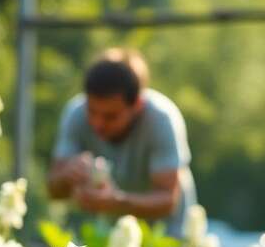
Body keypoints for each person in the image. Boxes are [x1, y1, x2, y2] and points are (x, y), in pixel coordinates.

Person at [47, 48, 197, 236]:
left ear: (137, 105)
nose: (97, 123)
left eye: (111, 116)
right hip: (110, 235)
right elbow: (54, 190)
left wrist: (115, 202)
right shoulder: (76, 113)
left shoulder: (161, 118)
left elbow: (168, 200)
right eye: (92, 111)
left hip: (166, 235)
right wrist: (66, 176)